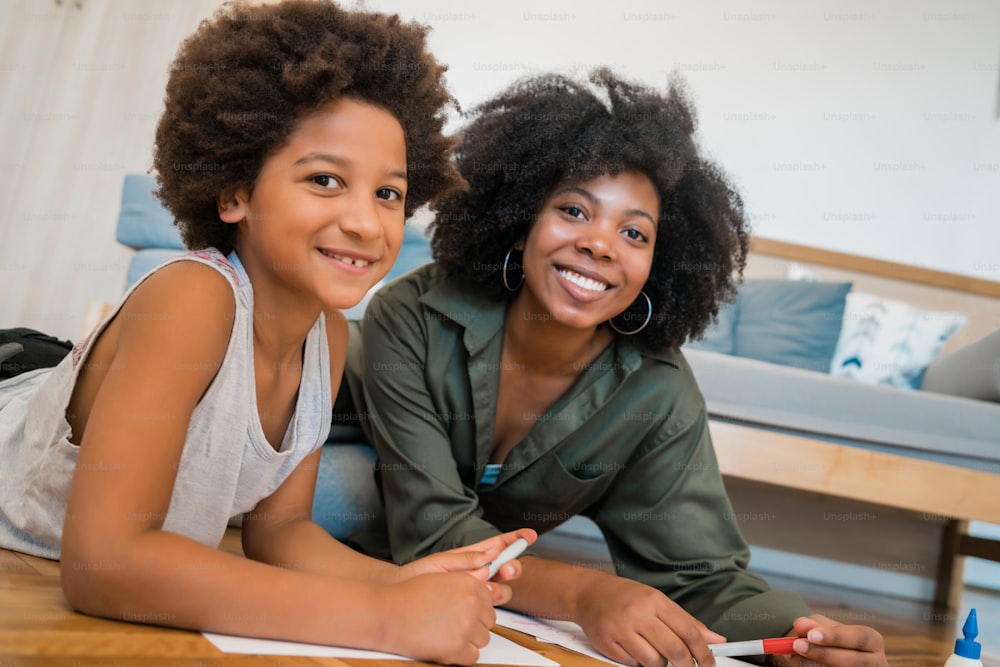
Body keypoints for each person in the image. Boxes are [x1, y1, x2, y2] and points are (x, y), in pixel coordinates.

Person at [0, 2, 535, 664]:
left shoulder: (332, 337)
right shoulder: (194, 298)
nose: (367, 223)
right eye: (325, 180)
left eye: (388, 194)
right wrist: (381, 616)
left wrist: (404, 583)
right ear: (234, 194)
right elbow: (103, 563)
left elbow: (280, 530)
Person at [332, 69, 888, 667]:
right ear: (521, 224)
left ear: (659, 265)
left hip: (460, 554)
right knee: (342, 496)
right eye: (574, 210)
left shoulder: (657, 395)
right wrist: (585, 593)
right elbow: (433, 533)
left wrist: (801, 637)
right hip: (336, 437)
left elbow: (698, 577)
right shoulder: (415, 313)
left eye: (633, 233)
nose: (600, 244)